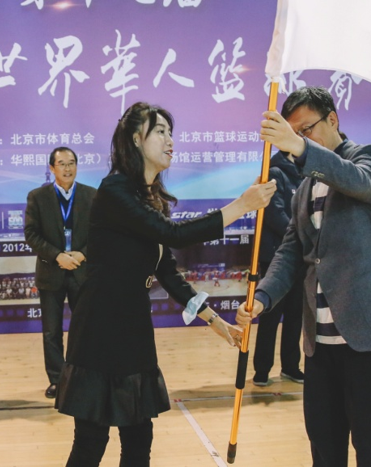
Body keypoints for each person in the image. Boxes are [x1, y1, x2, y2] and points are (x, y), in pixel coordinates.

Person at [55, 101, 276, 467]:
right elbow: (173, 235)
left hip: (134, 330)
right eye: (160, 131)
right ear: (135, 139)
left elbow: (167, 270)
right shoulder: (114, 190)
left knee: (139, 439)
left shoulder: (149, 198)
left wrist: (214, 320)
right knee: (91, 441)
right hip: (100, 331)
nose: (170, 140)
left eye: (171, 132)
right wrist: (241, 205)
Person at [236, 86, 371, 467]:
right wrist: (263, 297)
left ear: (332, 120)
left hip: (368, 336)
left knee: (370, 444)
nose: (297, 142)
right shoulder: (304, 188)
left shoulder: (369, 160)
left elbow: (354, 179)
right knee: (323, 445)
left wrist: (301, 148)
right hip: (319, 341)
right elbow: (291, 252)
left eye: (306, 130)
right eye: (292, 134)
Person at [24, 146, 97, 399]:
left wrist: (82, 254)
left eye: (72, 163)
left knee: (85, 329)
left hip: (81, 270)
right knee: (52, 332)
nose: (68, 168)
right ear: (52, 168)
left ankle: (85, 376)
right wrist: (57, 256)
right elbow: (31, 234)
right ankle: (57, 380)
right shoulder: (37, 197)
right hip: (51, 271)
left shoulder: (92, 195)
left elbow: (101, 232)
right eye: (62, 164)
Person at [252, 150, 305, 386]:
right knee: (270, 315)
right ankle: (262, 369)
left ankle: (291, 367)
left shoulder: (306, 173)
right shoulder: (274, 172)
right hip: (276, 256)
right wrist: (301, 237)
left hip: (301, 256)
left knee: (295, 315)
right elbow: (274, 214)